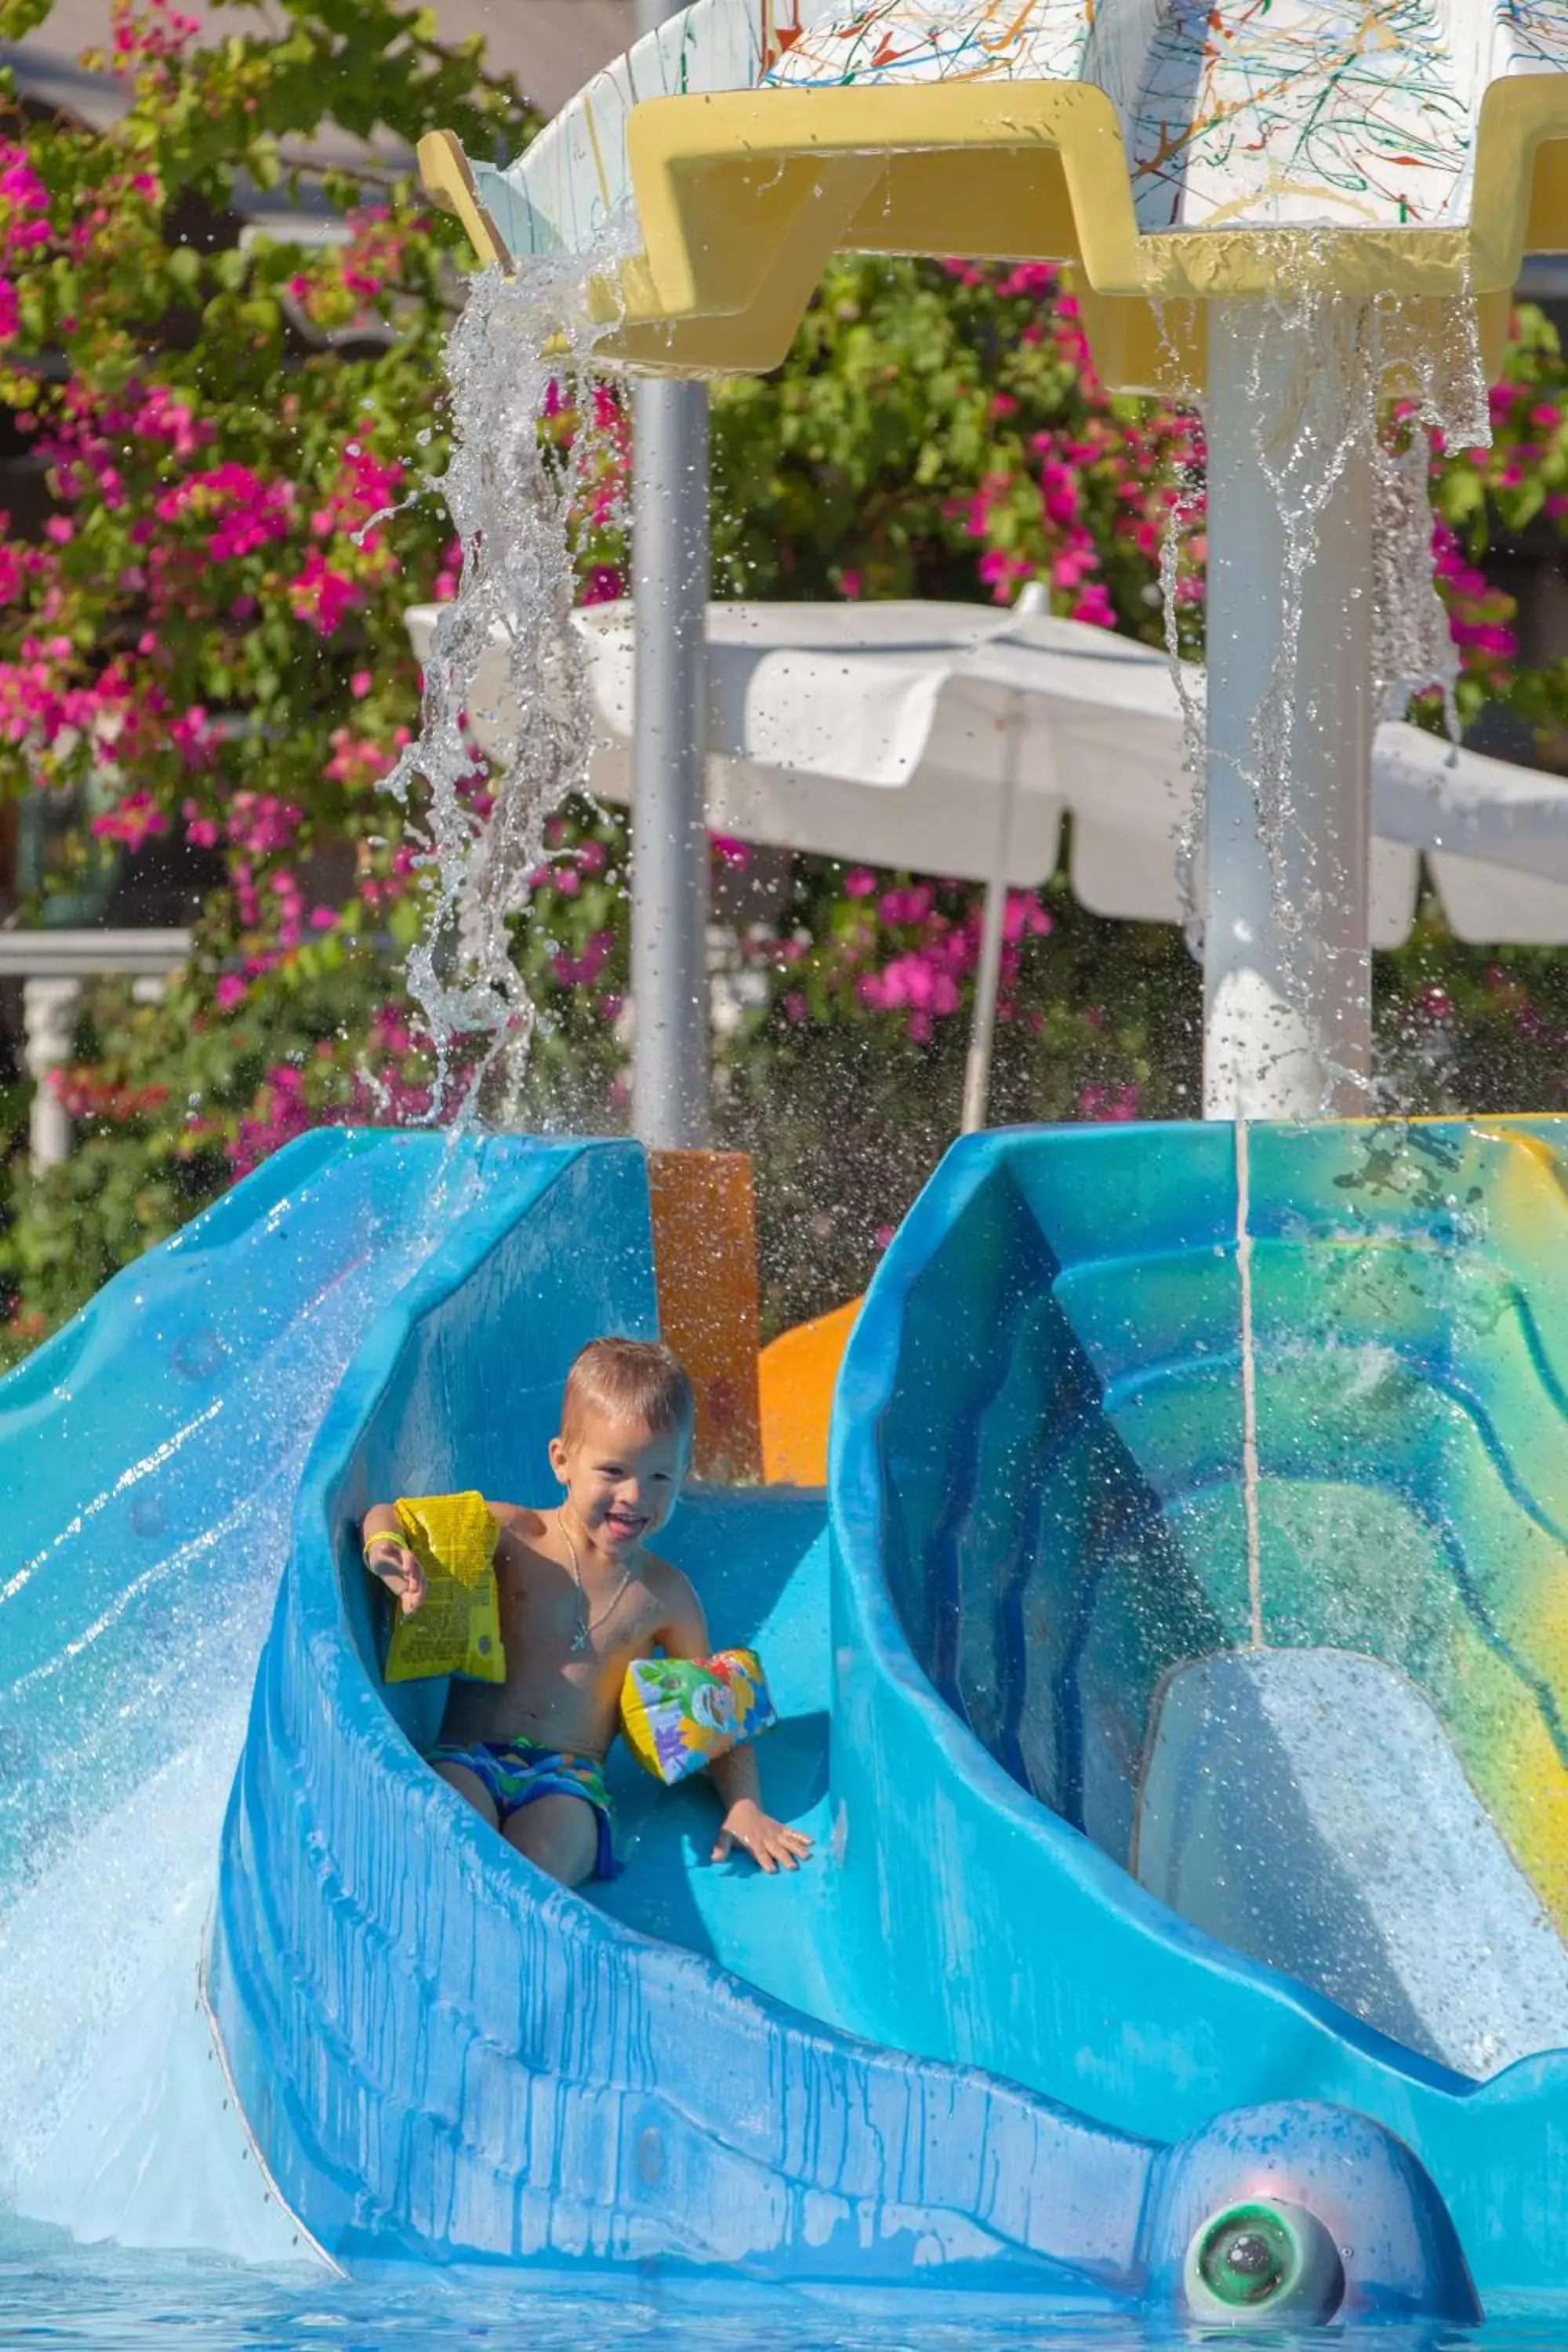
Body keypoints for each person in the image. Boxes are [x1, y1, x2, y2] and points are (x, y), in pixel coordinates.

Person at [361, 1336, 812, 1889]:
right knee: (450, 1840)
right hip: (468, 1755)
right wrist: (384, 1549)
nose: (634, 1496)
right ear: (562, 1461)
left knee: (536, 1870)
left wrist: (744, 1805)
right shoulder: (515, 1537)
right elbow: (391, 1514)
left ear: (682, 1474)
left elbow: (712, 1710)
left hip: (569, 1781)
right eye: (614, 1471)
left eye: (659, 1478)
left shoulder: (667, 1597)